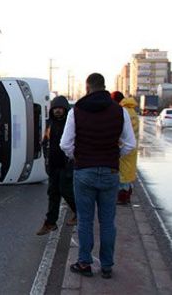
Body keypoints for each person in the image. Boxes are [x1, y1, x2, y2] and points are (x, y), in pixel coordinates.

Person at [60, 73, 136, 279]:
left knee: (85, 220)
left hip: (84, 170)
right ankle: (107, 266)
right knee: (107, 221)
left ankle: (84, 263)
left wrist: (78, 157)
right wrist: (114, 156)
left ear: (87, 88)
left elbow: (65, 144)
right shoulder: (120, 111)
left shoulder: (76, 111)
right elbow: (130, 144)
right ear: (104, 87)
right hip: (110, 171)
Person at [36, 96, 78, 236]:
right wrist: (46, 160)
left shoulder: (71, 123)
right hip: (53, 164)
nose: (58, 111)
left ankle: (79, 212)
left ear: (65, 109)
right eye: (55, 108)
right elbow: (45, 142)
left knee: (66, 190)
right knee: (53, 193)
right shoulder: (50, 124)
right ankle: (50, 223)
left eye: (60, 108)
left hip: (67, 164)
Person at [110, 91, 139, 205]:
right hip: (132, 146)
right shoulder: (131, 110)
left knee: (123, 175)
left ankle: (123, 197)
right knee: (128, 173)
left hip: (124, 146)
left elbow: (120, 130)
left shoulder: (123, 111)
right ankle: (126, 195)